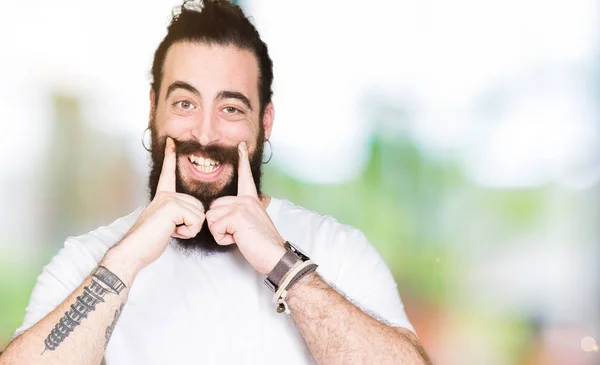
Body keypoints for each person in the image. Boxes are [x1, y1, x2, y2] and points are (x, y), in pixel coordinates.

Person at [0, 1, 431, 364]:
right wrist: (126, 259)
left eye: (231, 109)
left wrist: (282, 266)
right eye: (185, 103)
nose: (204, 135)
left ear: (265, 122)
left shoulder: (337, 250)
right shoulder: (89, 258)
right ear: (153, 109)